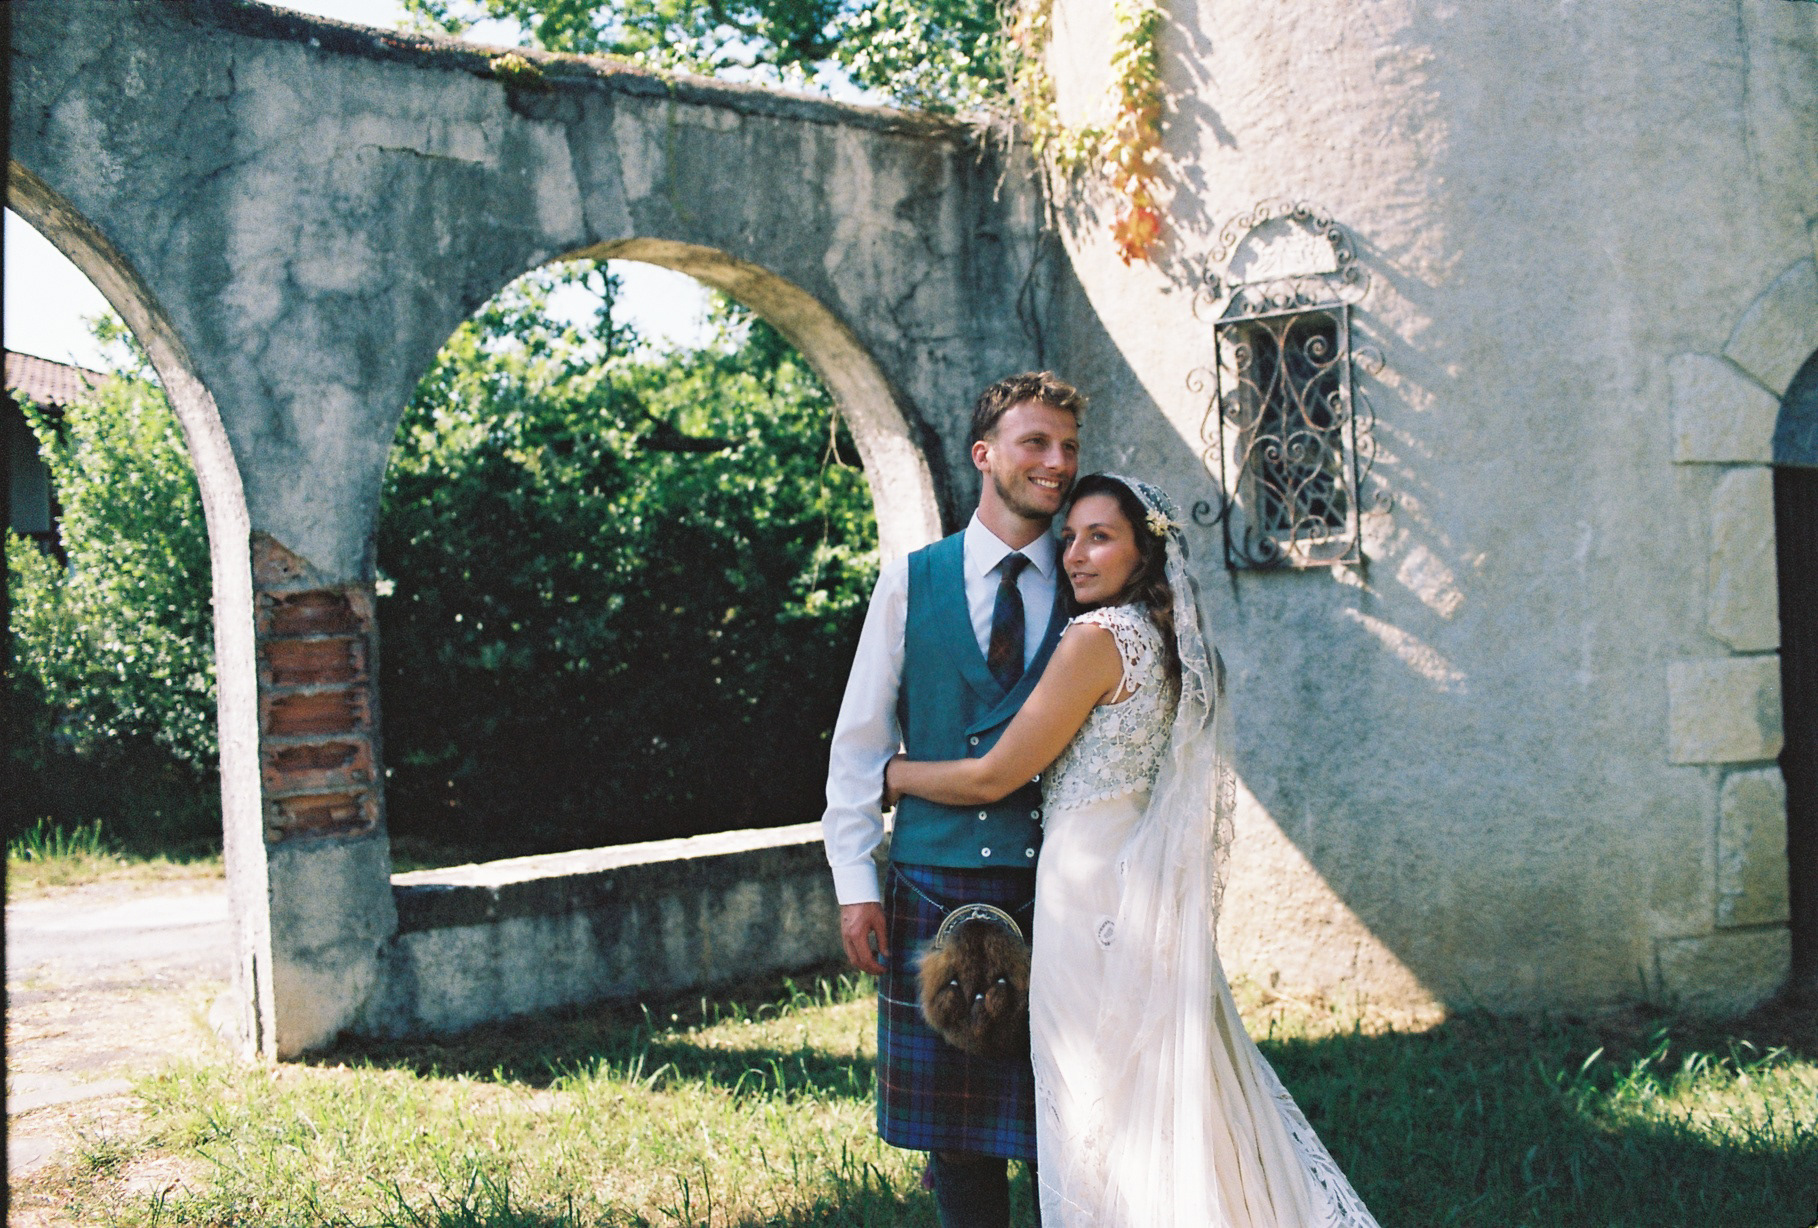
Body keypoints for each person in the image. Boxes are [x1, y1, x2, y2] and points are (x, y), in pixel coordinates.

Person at [885, 474, 1382, 1228]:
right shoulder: (1163, 638)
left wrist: (892, 775)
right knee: (1155, 1092)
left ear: (1143, 550)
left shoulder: (1096, 640)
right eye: (1070, 538)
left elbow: (996, 773)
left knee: (1098, 1101)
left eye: (1100, 537)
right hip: (1136, 884)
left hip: (1088, 897)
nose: (1075, 556)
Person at [821, 371, 1085, 1228]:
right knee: (959, 1143)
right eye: (1035, 442)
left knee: (1068, 1124)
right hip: (931, 885)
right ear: (984, 455)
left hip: (1062, 890)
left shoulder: (1088, 580)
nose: (1057, 462)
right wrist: (855, 884)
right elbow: (859, 743)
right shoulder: (912, 581)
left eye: (1068, 446)